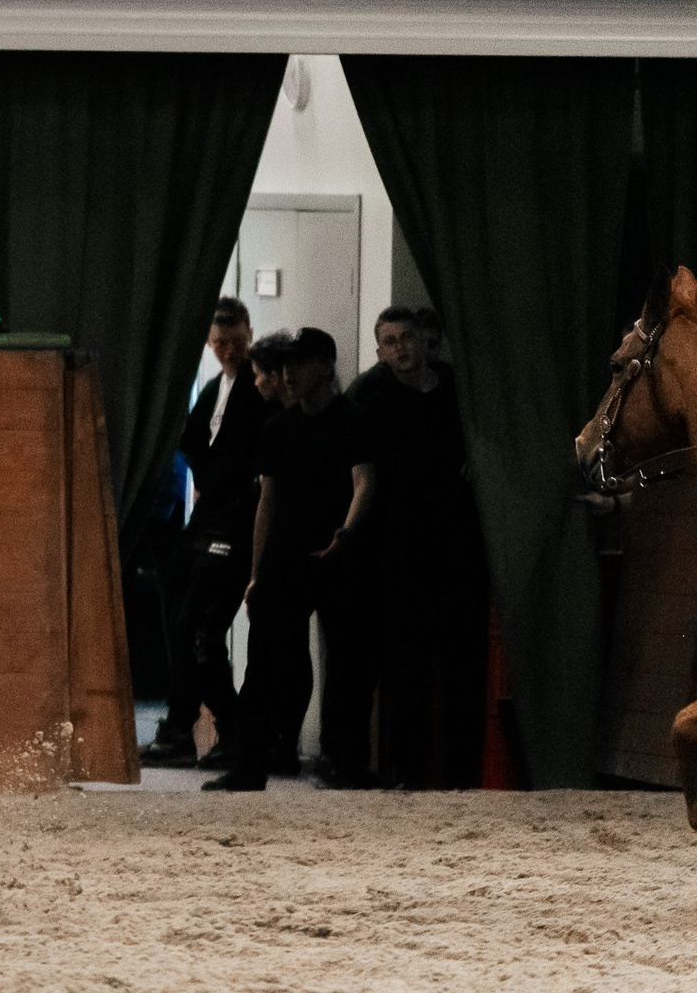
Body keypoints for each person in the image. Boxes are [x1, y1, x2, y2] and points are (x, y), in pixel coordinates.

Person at [206, 327, 379, 791]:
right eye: (284, 366)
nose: (288, 374)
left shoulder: (354, 418)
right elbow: (268, 502)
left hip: (340, 555)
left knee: (348, 665)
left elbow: (364, 481)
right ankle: (250, 765)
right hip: (286, 555)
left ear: (326, 366)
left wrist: (346, 533)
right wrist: (256, 572)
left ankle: (346, 761)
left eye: (299, 364)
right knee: (263, 665)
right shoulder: (279, 428)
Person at [352, 305, 489, 786]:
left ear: (423, 339)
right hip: (401, 548)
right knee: (406, 667)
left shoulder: (457, 391)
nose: (400, 348)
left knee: (463, 667)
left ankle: (461, 774)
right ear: (379, 351)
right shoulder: (372, 402)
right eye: (389, 342)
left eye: (406, 337)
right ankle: (408, 774)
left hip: (458, 545)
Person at [145, 299, 269, 769]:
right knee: (183, 626)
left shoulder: (259, 387)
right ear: (208, 343)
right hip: (206, 519)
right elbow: (193, 443)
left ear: (249, 334)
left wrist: (222, 484)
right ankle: (182, 730)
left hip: (236, 522)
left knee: (200, 630)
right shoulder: (214, 386)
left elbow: (246, 460)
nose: (229, 351)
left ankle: (229, 730)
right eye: (220, 343)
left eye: (237, 341)